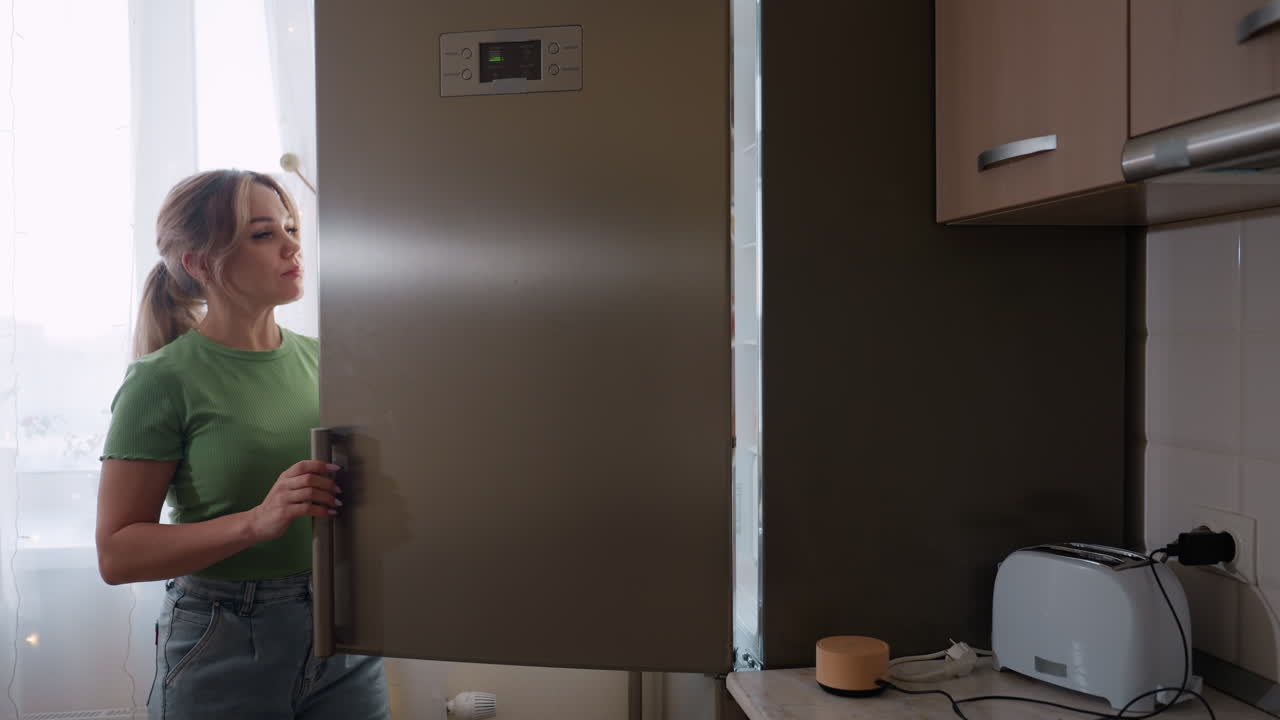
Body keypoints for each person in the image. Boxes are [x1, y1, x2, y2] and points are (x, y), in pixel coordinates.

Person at [95, 169, 390, 719]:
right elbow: (117, 554)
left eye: (290, 227)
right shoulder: (161, 382)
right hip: (225, 638)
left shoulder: (329, 359)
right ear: (200, 264)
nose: (291, 245)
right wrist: (257, 520)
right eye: (262, 234)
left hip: (345, 629)